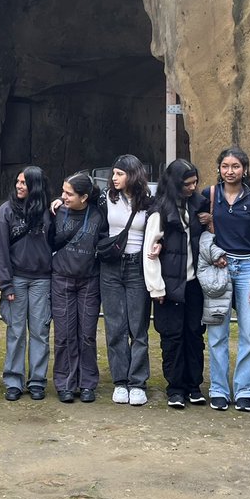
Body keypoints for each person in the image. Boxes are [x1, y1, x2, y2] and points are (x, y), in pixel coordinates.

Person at [202, 148, 250, 412]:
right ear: (219, 168)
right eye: (225, 166)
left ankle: (244, 389)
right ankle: (218, 388)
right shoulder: (209, 196)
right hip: (220, 266)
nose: (230, 171)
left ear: (245, 169)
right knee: (217, 332)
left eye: (236, 166)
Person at [143, 160, 207, 408]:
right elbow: (149, 251)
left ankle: (194, 386)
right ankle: (175, 389)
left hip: (193, 284)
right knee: (172, 338)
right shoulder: (160, 210)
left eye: (195, 183)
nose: (193, 187)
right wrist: (156, 287)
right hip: (168, 286)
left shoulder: (198, 204)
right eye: (187, 184)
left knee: (194, 335)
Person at [0, 165, 54, 401]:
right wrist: (5, 284)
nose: (19, 186)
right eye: (18, 182)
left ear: (35, 186)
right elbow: (1, 251)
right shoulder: (6, 211)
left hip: (42, 279)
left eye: (24, 183)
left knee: (40, 331)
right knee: (16, 331)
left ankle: (38, 380)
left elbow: (55, 242)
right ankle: (13, 380)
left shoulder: (48, 212)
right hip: (16, 279)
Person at [49, 172, 107, 403]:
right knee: (63, 334)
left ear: (84, 197)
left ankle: (87, 383)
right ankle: (65, 382)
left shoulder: (98, 215)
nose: (63, 196)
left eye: (69, 193)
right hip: (61, 278)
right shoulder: (57, 211)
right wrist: (57, 200)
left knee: (87, 335)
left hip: (89, 280)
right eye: (62, 191)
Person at [101, 154, 153, 406]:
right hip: (110, 267)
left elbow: (159, 228)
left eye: (119, 174)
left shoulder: (148, 202)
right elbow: (76, 196)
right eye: (113, 174)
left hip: (137, 267)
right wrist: (58, 202)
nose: (114, 178)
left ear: (132, 175)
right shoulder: (106, 198)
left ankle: (138, 382)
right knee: (115, 327)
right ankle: (120, 381)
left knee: (138, 327)